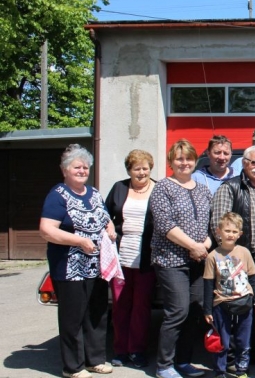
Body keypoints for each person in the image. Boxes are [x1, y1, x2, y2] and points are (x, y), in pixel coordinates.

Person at [40, 144, 116, 378]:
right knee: (73, 318)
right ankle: (72, 367)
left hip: (97, 266)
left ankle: (95, 360)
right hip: (70, 267)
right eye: (77, 167)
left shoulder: (93, 193)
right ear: (65, 170)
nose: (82, 171)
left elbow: (105, 217)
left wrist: (110, 228)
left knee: (96, 314)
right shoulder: (58, 195)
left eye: (85, 167)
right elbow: (47, 230)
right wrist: (79, 241)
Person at [210, 145, 255, 367]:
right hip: (237, 261)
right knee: (237, 310)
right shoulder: (230, 188)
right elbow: (218, 226)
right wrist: (229, 257)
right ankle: (233, 358)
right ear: (244, 163)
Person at [151, 139, 213, 378]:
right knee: (177, 311)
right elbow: (164, 224)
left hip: (199, 260)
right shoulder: (163, 188)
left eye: (188, 158)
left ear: (195, 161)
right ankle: (164, 365)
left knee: (194, 311)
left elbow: (213, 223)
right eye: (179, 159)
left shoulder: (202, 189)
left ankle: (184, 361)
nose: (184, 163)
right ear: (171, 162)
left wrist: (204, 245)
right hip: (170, 260)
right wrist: (193, 246)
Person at [105, 149, 156, 369]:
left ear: (150, 169)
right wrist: (108, 224)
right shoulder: (119, 188)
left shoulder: (158, 188)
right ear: (129, 170)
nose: (141, 172)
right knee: (120, 305)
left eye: (145, 168)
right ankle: (120, 350)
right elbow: (104, 212)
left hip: (147, 257)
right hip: (121, 255)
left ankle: (137, 350)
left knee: (141, 306)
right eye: (137, 169)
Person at [203, 212, 255, 378]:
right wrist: (207, 310)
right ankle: (220, 372)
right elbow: (208, 284)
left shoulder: (244, 252)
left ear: (240, 234)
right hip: (221, 304)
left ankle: (241, 371)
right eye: (227, 230)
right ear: (219, 231)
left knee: (243, 341)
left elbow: (254, 277)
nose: (230, 234)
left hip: (244, 302)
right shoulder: (212, 256)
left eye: (234, 231)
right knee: (222, 341)